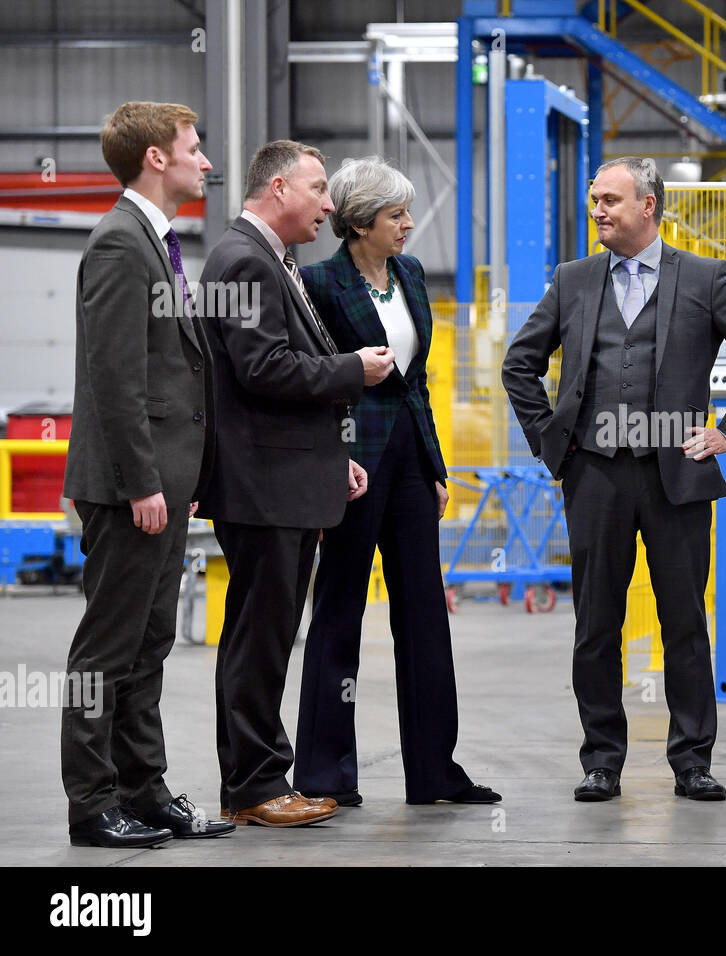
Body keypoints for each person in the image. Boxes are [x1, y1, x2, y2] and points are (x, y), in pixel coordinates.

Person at [502, 156, 726, 802]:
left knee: (684, 623)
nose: (598, 211)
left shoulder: (703, 278)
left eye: (610, 200)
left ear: (649, 206)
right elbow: (519, 365)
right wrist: (556, 446)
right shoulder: (573, 280)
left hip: (677, 479)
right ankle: (602, 760)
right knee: (596, 626)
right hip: (596, 477)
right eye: (595, 201)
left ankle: (692, 761)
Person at [197, 140, 397, 827]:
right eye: (318, 188)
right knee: (260, 639)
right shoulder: (245, 259)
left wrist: (326, 454)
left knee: (266, 636)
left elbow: (274, 375)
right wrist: (352, 371)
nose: (330, 205)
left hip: (282, 477)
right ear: (279, 188)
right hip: (262, 488)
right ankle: (254, 787)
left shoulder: (272, 260)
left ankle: (255, 780)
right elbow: (264, 368)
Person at [292, 156, 499, 807]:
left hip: (409, 461)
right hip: (352, 464)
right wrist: (329, 459)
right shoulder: (320, 283)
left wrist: (435, 469)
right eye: (395, 216)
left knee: (424, 615)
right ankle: (324, 774)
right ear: (358, 224)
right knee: (338, 613)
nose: (408, 225)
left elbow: (416, 384)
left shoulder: (408, 274)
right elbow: (310, 379)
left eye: (406, 212)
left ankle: (434, 773)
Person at [62, 101, 234, 846]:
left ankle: (143, 787)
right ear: (157, 158)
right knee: (107, 647)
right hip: (129, 487)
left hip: (163, 481)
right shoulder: (118, 245)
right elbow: (114, 377)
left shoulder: (155, 242)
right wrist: (141, 483)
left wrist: (177, 474)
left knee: (149, 642)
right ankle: (92, 802)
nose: (204, 161)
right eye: (194, 149)